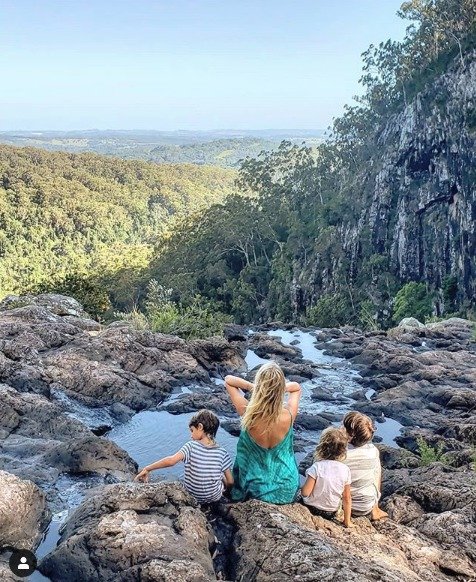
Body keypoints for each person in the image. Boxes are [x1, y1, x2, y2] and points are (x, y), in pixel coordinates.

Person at [224, 361, 301, 504]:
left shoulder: (248, 413)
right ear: (280, 389)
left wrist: (254, 387)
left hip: (254, 488)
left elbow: (228, 380)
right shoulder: (289, 415)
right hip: (286, 487)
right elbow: (296, 387)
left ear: (259, 385)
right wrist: (276, 389)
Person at [134, 409, 234, 504]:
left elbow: (171, 461)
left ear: (200, 427)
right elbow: (230, 481)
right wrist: (225, 492)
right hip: (214, 497)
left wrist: (148, 468)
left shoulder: (190, 446)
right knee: (220, 475)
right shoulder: (222, 452)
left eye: (192, 430)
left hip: (193, 496)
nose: (191, 435)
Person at [301, 427, 352, 527]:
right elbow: (347, 498)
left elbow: (305, 492)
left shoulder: (316, 467)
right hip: (330, 512)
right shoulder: (345, 470)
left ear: (322, 447)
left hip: (311, 508)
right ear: (343, 450)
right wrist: (347, 522)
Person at [342, 411, 388, 520]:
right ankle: (375, 508)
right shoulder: (373, 451)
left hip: (343, 506)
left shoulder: (340, 453)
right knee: (376, 471)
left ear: (349, 432)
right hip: (365, 506)